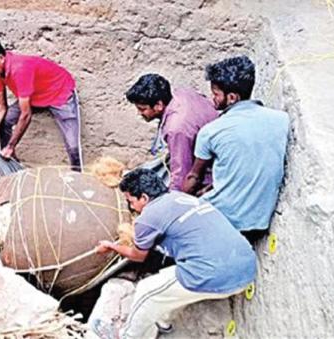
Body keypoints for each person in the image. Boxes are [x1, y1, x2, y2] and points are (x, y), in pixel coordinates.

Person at [93, 168, 256, 339]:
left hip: (217, 275)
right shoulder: (181, 197)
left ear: (144, 198)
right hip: (246, 267)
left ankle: (126, 335)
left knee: (146, 290)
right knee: (169, 281)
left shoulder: (147, 218)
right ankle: (163, 322)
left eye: (131, 201)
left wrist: (111, 246)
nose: (131, 206)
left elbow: (138, 256)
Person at [182, 56, 290, 243]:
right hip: (259, 222)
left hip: (225, 221)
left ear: (232, 97)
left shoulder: (211, 131)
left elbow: (193, 178)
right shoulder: (282, 120)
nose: (213, 100)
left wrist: (177, 204)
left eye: (216, 94)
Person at [0, 39, 83, 170]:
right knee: (3, 122)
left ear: (1, 58)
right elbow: (1, 105)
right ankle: (10, 163)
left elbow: (26, 115)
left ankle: (77, 175)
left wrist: (11, 145)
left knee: (72, 145)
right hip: (32, 96)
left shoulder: (19, 69)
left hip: (60, 93)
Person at [125, 74, 218, 191]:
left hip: (209, 175)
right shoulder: (182, 93)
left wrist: (171, 201)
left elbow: (181, 175)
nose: (139, 113)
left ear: (159, 105)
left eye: (142, 109)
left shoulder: (176, 129)